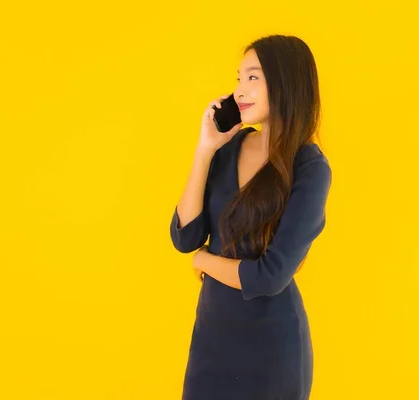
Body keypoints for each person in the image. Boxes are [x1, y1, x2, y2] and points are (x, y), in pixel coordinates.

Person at [169, 34, 332, 400]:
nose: (239, 90)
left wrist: (204, 261)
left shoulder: (309, 167)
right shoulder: (229, 150)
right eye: (239, 78)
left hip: (271, 349)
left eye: (253, 78)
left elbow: (270, 275)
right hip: (211, 339)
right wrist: (205, 149)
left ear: (285, 82)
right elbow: (185, 236)